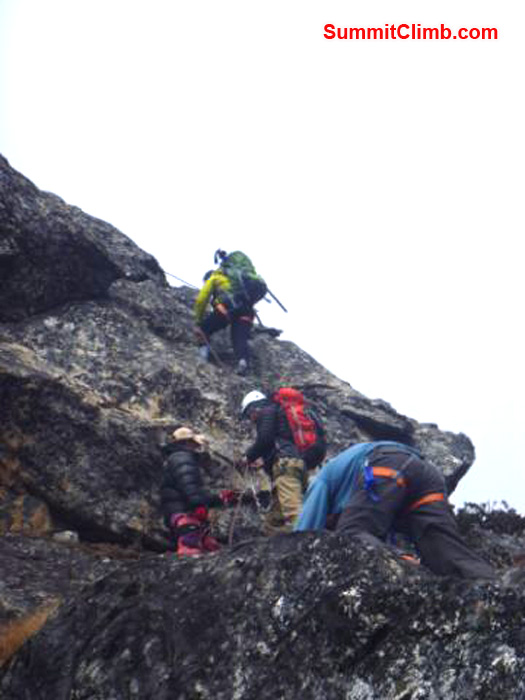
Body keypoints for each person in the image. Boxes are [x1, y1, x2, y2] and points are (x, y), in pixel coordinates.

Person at [294, 440, 495, 580]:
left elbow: (303, 535)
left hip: (387, 463)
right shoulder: (351, 489)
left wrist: (292, 562)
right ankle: (494, 586)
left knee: (351, 533)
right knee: (444, 552)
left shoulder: (320, 482)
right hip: (426, 475)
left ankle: (403, 566)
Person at [240, 390, 309, 534]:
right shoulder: (278, 413)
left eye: (248, 414)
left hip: (285, 466)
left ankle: (312, 544)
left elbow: (265, 439)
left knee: (294, 511)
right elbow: (277, 442)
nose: (250, 419)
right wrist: (263, 463)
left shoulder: (267, 411)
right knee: (272, 522)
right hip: (293, 464)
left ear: (254, 407)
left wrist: (248, 457)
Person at [160, 426, 236, 557]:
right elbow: (189, 486)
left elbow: (191, 489)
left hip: (181, 512)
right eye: (194, 444)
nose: (196, 447)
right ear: (187, 443)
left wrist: (219, 498)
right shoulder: (182, 458)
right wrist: (198, 505)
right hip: (184, 514)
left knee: (210, 549)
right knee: (191, 550)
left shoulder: (177, 458)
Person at [193, 251, 267, 375]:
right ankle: (243, 361)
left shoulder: (215, 278)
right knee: (239, 339)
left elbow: (201, 300)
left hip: (227, 309)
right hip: (247, 311)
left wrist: (198, 320)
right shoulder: (239, 279)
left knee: (203, 330)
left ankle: (202, 357)